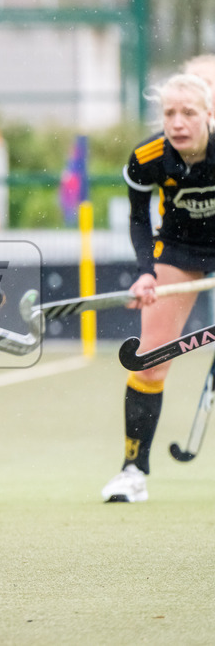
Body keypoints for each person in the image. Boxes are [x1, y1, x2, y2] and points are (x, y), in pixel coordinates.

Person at [101, 72, 215, 503]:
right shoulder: (147, 156)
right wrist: (146, 272)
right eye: (170, 113)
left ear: (209, 115)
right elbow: (138, 218)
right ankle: (133, 471)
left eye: (188, 113)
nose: (178, 122)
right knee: (148, 362)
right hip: (180, 252)